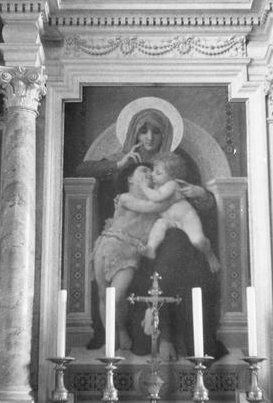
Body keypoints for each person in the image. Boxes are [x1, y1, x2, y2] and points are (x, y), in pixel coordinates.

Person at [76, 101, 227, 361]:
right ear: (134, 132)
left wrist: (202, 194)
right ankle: (130, 332)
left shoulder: (176, 163)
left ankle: (168, 335)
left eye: (155, 131)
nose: (149, 137)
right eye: (143, 130)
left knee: (177, 253)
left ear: (164, 134)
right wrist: (120, 164)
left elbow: (192, 205)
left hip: (162, 234)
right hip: (127, 239)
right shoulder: (124, 160)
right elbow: (81, 170)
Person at [92, 164, 170, 350]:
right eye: (143, 171)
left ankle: (120, 330)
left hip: (129, 251)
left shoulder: (158, 205)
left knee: (117, 296)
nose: (149, 174)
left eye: (151, 173)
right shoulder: (126, 198)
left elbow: (159, 210)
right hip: (106, 245)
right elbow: (148, 206)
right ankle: (110, 339)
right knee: (103, 294)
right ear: (130, 179)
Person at [139, 152, 221, 275]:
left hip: (187, 219)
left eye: (158, 173)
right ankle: (151, 248)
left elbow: (157, 197)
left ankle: (209, 254)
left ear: (172, 176)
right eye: (153, 170)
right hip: (170, 220)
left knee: (197, 241)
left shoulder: (171, 184)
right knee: (159, 225)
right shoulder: (158, 185)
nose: (152, 174)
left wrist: (144, 187)